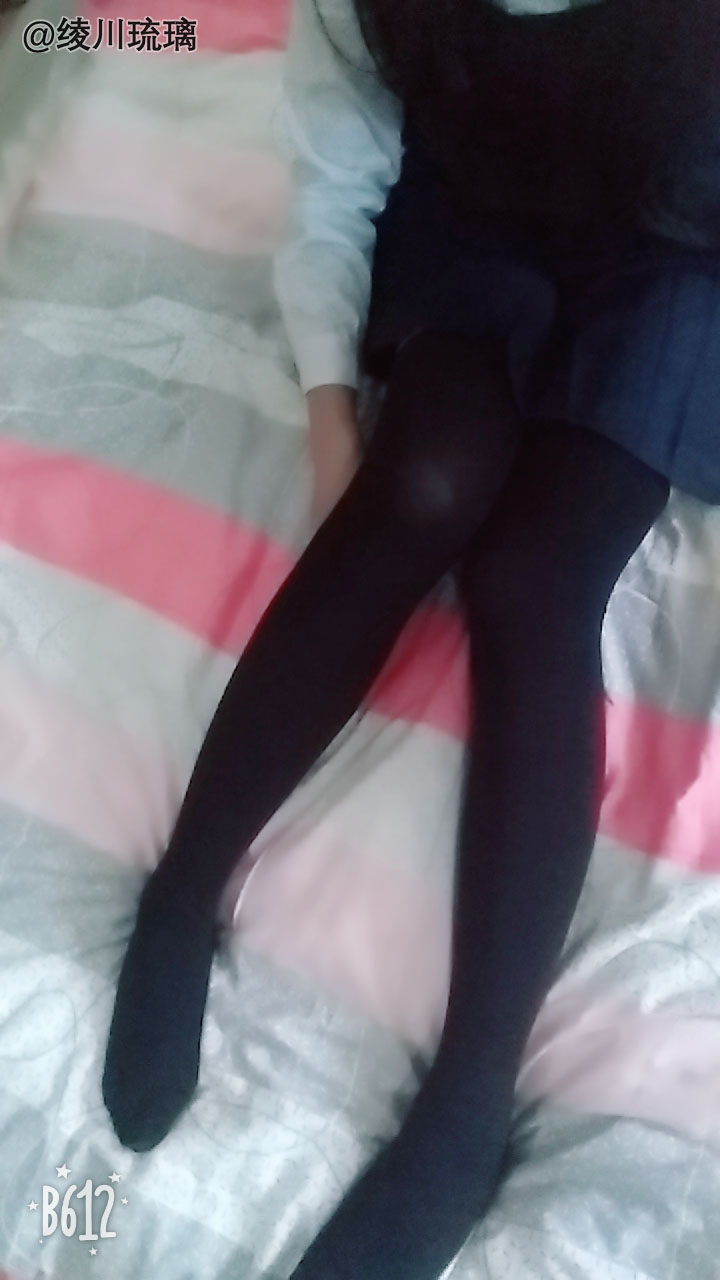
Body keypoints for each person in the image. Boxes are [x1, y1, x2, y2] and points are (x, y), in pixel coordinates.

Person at [102, 0, 720, 1276]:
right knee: (420, 485)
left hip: (672, 253)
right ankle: (182, 892)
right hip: (477, 219)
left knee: (537, 580)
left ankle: (469, 1098)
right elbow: (335, 175)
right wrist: (333, 414)